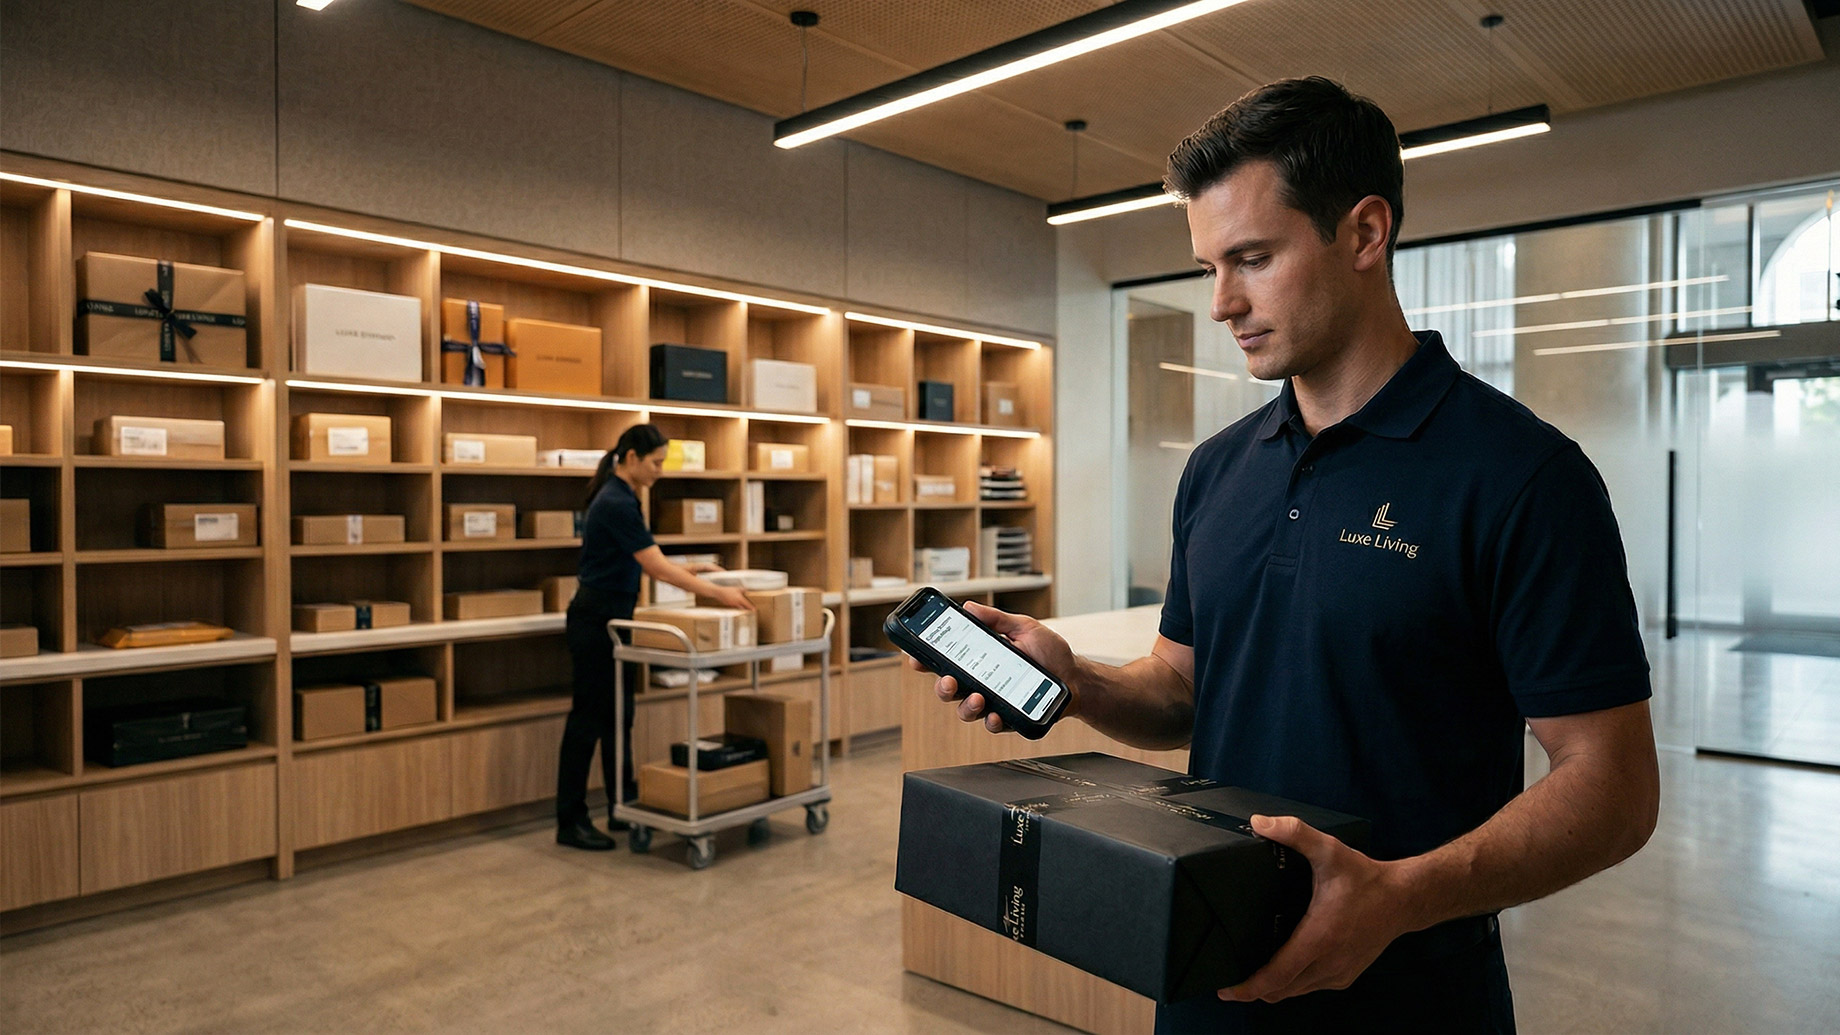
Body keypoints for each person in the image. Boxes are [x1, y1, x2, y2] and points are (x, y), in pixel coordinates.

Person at [910, 78, 1660, 1033]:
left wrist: (1398, 895)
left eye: (1253, 258)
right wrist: (1079, 681)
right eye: (1209, 265)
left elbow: (1616, 786)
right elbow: (1181, 691)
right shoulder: (1219, 471)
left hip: (1411, 996)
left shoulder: (1520, 476)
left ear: (1364, 233)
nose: (1222, 303)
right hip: (1203, 976)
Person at [556, 423, 754, 851]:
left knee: (618, 718)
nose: (660, 471)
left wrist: (695, 569)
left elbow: (648, 556)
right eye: (656, 462)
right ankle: (569, 820)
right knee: (588, 722)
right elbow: (656, 568)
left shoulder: (623, 496)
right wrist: (718, 594)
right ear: (631, 458)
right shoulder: (615, 500)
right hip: (595, 623)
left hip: (613, 621)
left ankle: (621, 806)